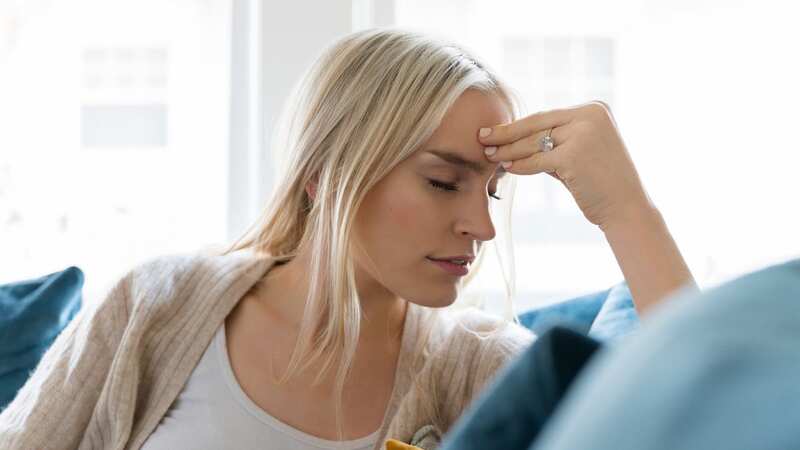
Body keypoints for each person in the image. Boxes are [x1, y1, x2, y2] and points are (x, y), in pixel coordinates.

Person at [0, 27, 696, 450]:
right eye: (442, 181)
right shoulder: (157, 306)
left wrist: (626, 211)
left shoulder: (478, 370)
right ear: (326, 174)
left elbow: (702, 423)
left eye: (491, 190)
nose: (481, 226)